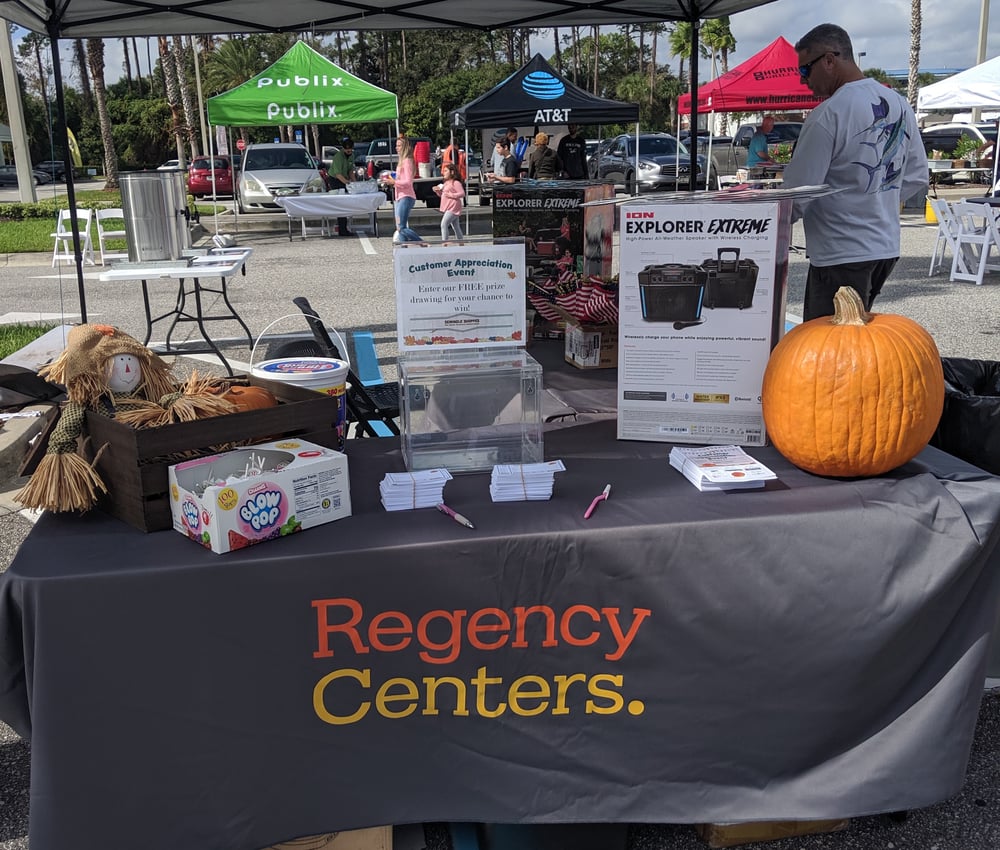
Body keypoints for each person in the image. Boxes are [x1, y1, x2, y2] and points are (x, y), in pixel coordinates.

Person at [782, 23, 927, 321]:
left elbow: (798, 194)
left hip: (841, 251)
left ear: (830, 60)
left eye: (806, 70)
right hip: (884, 246)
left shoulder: (828, 114)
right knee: (858, 340)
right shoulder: (899, 104)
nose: (803, 81)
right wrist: (873, 199)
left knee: (827, 350)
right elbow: (916, 176)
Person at [381, 134, 423, 244]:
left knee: (402, 227)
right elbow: (402, 178)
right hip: (399, 197)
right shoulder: (402, 161)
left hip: (406, 196)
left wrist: (394, 182)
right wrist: (392, 176)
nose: (397, 148)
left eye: (399, 146)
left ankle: (421, 243)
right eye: (396, 145)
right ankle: (404, 249)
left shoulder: (407, 161)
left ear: (404, 147)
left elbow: (408, 182)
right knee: (399, 226)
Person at [327, 137, 356, 237]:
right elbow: (338, 174)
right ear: (343, 148)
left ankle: (343, 227)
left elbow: (350, 170)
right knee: (341, 203)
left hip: (344, 178)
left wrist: (355, 183)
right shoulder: (338, 156)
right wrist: (348, 183)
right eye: (347, 149)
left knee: (345, 203)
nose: (349, 151)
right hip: (335, 179)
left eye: (351, 149)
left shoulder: (351, 155)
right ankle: (342, 229)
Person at [433, 162, 465, 245]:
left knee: (444, 224)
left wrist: (451, 195)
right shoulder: (446, 183)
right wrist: (437, 191)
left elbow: (462, 193)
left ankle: (445, 243)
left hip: (453, 206)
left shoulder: (456, 183)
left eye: (446, 171)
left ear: (452, 172)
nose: (443, 172)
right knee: (456, 226)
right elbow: (443, 195)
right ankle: (461, 243)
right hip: (449, 206)